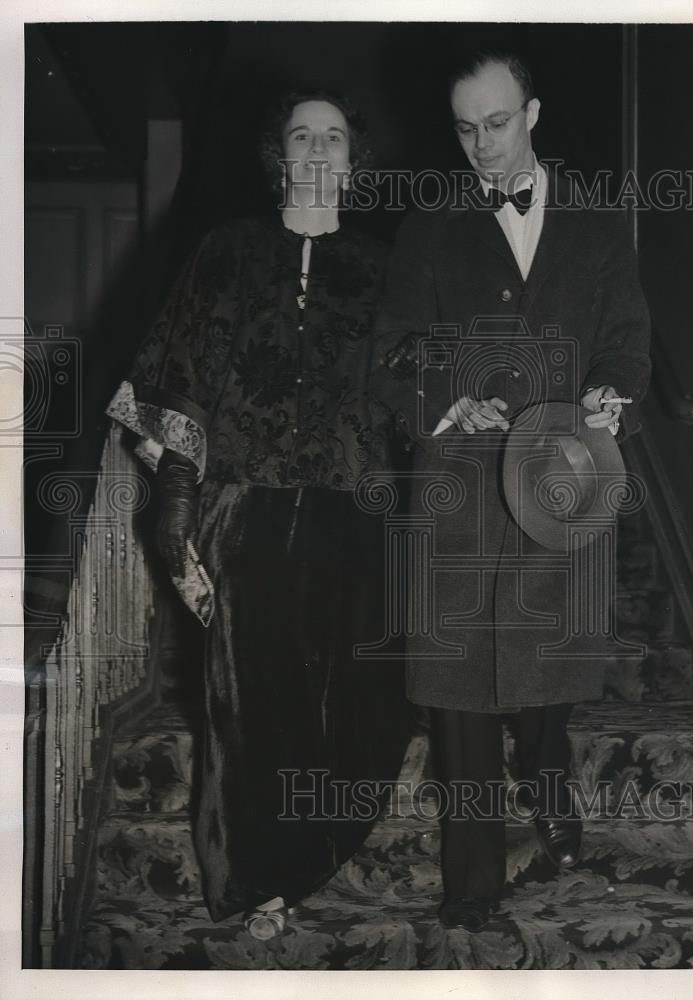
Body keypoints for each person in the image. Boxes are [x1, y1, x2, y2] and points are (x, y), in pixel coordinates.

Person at [106, 91, 410, 939]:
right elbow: (182, 389)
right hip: (244, 508)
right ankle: (251, 883)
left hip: (357, 511)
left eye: (335, 137)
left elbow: (411, 403)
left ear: (356, 160)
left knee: (356, 702)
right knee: (248, 707)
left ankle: (314, 852)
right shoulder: (225, 252)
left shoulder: (387, 267)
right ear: (278, 153)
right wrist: (175, 523)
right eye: (300, 135)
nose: (316, 149)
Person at [372, 51, 651, 932]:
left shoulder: (599, 223)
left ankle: (546, 772)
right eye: (464, 128)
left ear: (531, 113)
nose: (482, 146)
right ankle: (471, 896)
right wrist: (442, 393)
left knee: (539, 676)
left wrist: (612, 395)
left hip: (560, 478)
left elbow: (627, 342)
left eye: (497, 123)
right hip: (456, 483)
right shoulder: (428, 224)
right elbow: (393, 350)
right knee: (458, 685)